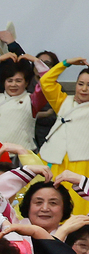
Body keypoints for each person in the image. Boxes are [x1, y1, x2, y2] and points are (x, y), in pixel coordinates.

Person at [38, 58, 89, 217]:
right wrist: (67, 63)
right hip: (52, 158)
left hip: (81, 162)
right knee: (45, 199)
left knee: (76, 208)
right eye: (80, 84)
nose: (84, 89)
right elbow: (46, 81)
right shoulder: (63, 101)